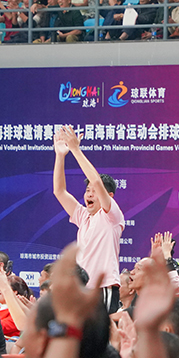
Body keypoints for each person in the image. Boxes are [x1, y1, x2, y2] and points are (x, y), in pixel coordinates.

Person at [52, 124, 124, 313]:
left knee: (103, 332)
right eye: (87, 191)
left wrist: (75, 149)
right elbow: (59, 191)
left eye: (94, 191)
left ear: (109, 196)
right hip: (81, 289)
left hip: (103, 288)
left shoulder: (112, 215)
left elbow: (97, 181)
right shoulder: (83, 215)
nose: (89, 194)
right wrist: (60, 156)